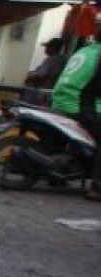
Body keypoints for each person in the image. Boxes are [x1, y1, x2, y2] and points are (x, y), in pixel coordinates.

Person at [51, 32, 101, 200]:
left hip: (60, 101)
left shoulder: (84, 50)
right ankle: (97, 187)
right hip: (79, 105)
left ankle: (58, 174)